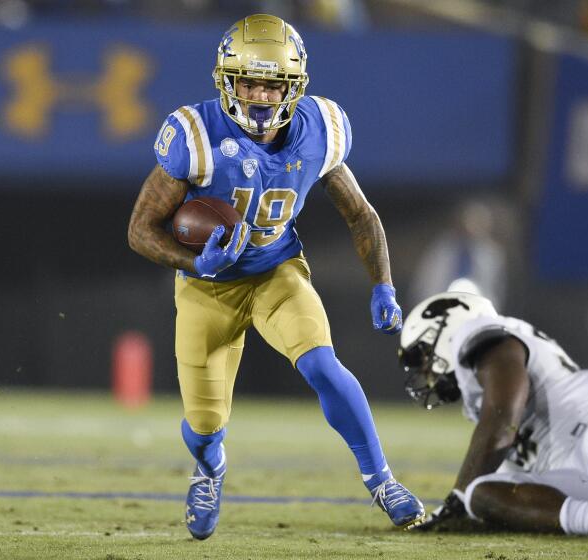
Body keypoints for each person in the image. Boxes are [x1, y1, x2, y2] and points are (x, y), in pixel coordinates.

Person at [126, 14, 424, 540]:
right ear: (226, 80)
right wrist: (196, 263)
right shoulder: (194, 135)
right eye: (248, 81)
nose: (260, 94)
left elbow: (361, 214)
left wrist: (384, 284)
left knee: (323, 365)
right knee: (203, 426)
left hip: (275, 273)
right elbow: (140, 229)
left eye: (272, 82)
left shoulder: (321, 129)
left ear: (295, 86)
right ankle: (210, 466)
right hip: (206, 289)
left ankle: (382, 480)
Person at [396, 291, 588, 539]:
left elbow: (503, 420)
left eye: (422, 355)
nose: (426, 371)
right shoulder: (476, 391)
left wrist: (455, 500)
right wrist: (467, 500)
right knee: (481, 494)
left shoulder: (477, 334)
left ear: (447, 327)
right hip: (573, 473)